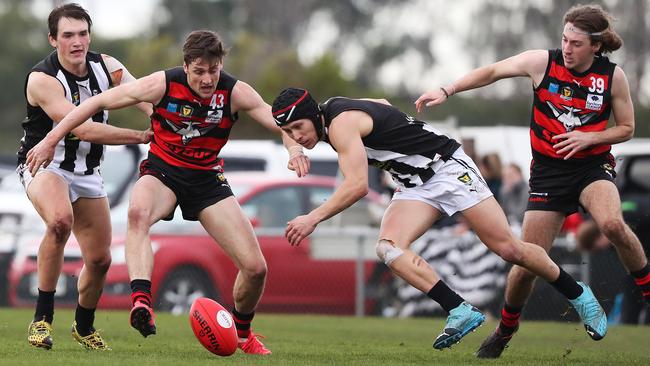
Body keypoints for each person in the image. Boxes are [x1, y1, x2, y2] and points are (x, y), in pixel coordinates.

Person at [26, 30, 310, 356]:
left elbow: (279, 121)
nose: (207, 79)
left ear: (221, 66)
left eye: (213, 70)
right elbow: (98, 102)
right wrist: (51, 139)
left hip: (206, 181)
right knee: (137, 213)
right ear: (186, 66)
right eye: (199, 71)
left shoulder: (234, 92)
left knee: (256, 268)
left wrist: (293, 150)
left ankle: (243, 334)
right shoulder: (162, 83)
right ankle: (142, 301)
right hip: (163, 173)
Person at [271, 87, 606, 351]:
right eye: (289, 131)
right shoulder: (326, 114)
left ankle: (579, 294)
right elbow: (381, 102)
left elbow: (357, 186)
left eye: (298, 128)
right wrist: (295, 149)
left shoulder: (341, 124)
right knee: (388, 248)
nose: (297, 135)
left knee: (509, 249)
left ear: (313, 115)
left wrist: (312, 218)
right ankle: (460, 310)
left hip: (446, 168)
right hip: (415, 185)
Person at [415, 4, 650, 358]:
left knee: (613, 223)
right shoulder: (543, 62)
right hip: (548, 174)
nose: (567, 48)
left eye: (576, 43)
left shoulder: (612, 77)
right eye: (564, 40)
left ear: (596, 47)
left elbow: (627, 128)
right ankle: (506, 330)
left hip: (591, 168)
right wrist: (447, 90)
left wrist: (590, 138)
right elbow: (493, 71)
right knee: (527, 263)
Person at [17, 3, 153, 351]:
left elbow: (142, 95)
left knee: (100, 259)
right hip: (45, 166)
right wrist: (139, 136)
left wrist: (166, 121)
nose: (77, 42)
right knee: (60, 221)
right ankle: (41, 321)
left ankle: (84, 326)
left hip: (88, 172)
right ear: (53, 40)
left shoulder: (107, 66)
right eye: (68, 35)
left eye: (83, 33)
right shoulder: (42, 79)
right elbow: (85, 128)